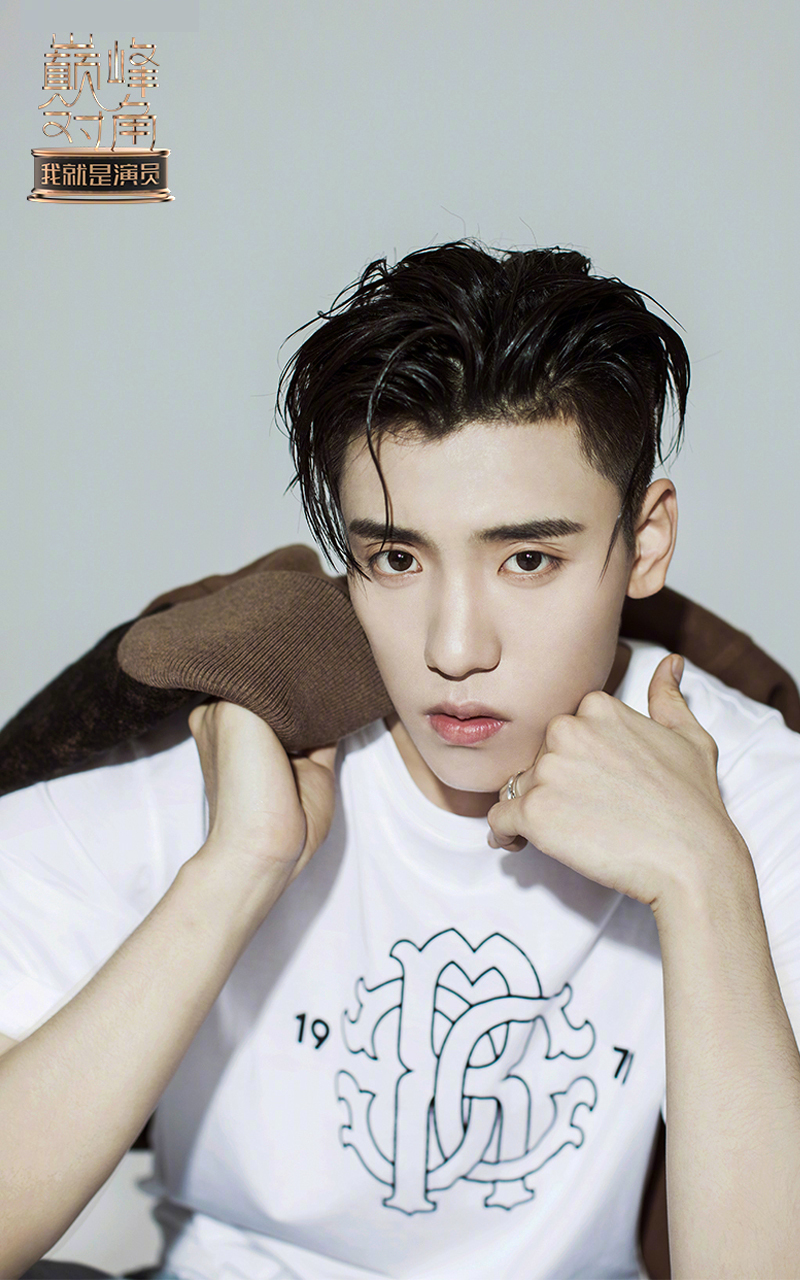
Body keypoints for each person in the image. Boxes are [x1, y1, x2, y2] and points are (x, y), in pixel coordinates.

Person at [1, 241, 800, 1280]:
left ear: (644, 541)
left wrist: (702, 882)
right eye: (395, 558)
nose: (454, 648)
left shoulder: (747, 788)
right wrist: (233, 871)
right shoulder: (231, 743)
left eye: (527, 559)